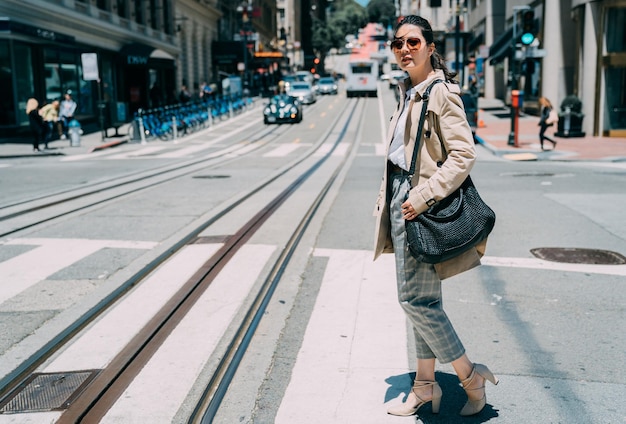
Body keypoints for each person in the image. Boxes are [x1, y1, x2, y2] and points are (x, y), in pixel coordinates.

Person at [373, 15, 498, 417]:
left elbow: (464, 153)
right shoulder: (409, 91)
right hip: (401, 199)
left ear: (430, 46)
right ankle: (426, 387)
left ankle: (469, 376)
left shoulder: (439, 92)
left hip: (419, 205)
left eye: (413, 41)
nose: (404, 49)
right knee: (423, 300)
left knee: (413, 301)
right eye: (398, 43)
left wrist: (423, 197)